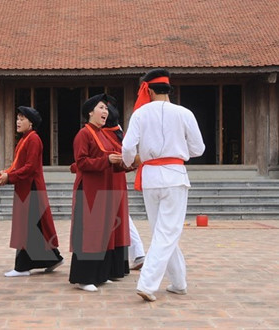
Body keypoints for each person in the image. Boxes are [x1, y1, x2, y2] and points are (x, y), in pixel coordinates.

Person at [122, 68, 205, 302]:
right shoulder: (184, 113)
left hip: (150, 177)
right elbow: (199, 149)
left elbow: (128, 148)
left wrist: (129, 163)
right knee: (167, 232)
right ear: (168, 89)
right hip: (175, 175)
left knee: (163, 231)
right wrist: (177, 152)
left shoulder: (139, 114)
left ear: (148, 89)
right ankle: (147, 283)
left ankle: (179, 283)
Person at [68, 94, 129, 292]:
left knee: (103, 232)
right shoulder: (83, 134)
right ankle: (84, 278)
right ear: (90, 112)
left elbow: (113, 163)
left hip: (104, 190)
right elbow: (82, 162)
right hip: (89, 190)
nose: (105, 112)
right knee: (89, 233)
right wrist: (106, 161)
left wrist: (129, 165)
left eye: (106, 109)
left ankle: (101, 274)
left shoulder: (104, 134)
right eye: (101, 108)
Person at [0, 106, 64, 277]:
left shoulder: (33, 139)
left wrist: (9, 177)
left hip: (31, 188)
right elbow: (19, 165)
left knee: (28, 227)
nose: (18, 122)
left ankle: (22, 267)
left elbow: (30, 167)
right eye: (17, 118)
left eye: (22, 119)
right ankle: (52, 258)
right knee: (35, 227)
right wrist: (6, 173)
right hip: (25, 187)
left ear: (31, 123)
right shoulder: (25, 139)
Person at [104, 101, 146, 271]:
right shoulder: (118, 131)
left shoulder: (106, 134)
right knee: (123, 217)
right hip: (118, 179)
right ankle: (137, 254)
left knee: (120, 219)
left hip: (110, 179)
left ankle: (134, 254)